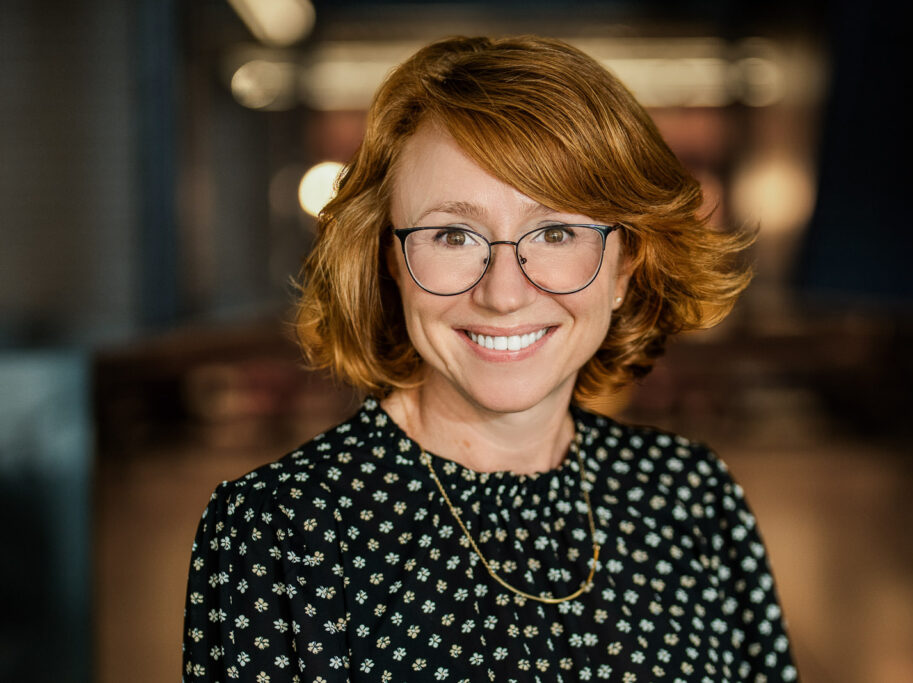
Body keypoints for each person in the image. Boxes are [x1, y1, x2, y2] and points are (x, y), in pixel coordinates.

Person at [183, 35, 797, 682]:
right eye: (453, 235)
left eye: (556, 232)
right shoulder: (277, 530)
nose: (503, 294)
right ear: (390, 260)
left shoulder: (692, 497)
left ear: (626, 266)